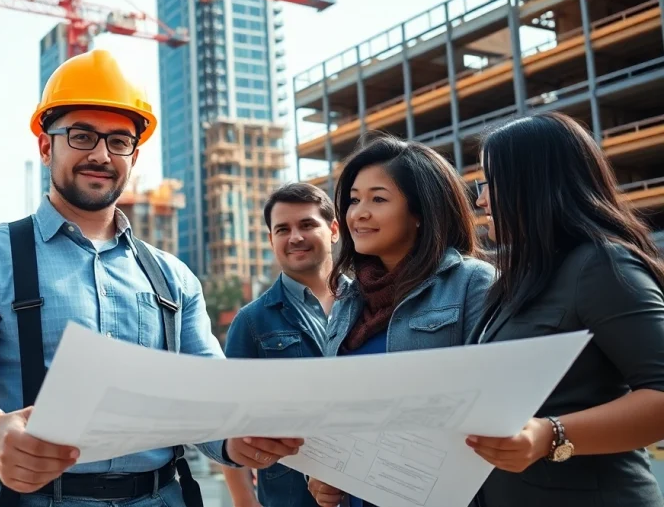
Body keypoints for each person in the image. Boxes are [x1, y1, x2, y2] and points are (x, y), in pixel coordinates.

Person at [0, 48, 302, 507]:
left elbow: (207, 393)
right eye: (82, 136)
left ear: (133, 157)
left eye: (118, 141)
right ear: (46, 146)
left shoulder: (173, 277)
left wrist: (235, 440)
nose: (101, 154)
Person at [467, 112, 664, 507]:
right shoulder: (520, 278)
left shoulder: (601, 265)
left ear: (535, 182)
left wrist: (550, 435)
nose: (481, 198)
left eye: (490, 182)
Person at [305, 135, 496, 507]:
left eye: (378, 199)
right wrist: (323, 471)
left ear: (420, 212)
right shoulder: (348, 298)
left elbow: (494, 406)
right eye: (354, 199)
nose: (358, 212)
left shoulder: (471, 282)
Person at [222, 182, 346, 507]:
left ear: (333, 230)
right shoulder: (251, 322)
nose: (295, 237)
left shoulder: (373, 303)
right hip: (290, 498)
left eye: (307, 225)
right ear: (271, 240)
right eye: (282, 229)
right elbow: (227, 420)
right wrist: (244, 501)